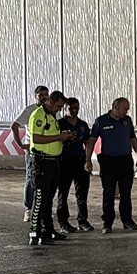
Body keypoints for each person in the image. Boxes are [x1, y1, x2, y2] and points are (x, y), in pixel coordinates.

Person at [84, 97, 137, 234]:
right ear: (115, 108)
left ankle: (127, 220)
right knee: (109, 192)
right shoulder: (101, 121)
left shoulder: (127, 121)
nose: (126, 112)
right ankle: (107, 222)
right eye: (125, 109)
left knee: (126, 192)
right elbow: (91, 141)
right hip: (108, 162)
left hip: (125, 160)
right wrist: (88, 160)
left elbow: (133, 139)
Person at [27, 91, 74, 245]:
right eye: (59, 106)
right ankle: (34, 233)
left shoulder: (53, 116)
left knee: (48, 200)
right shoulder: (38, 114)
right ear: (50, 102)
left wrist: (64, 135)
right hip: (42, 162)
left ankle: (48, 231)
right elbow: (36, 138)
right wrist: (60, 137)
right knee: (40, 199)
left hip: (54, 162)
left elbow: (51, 135)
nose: (59, 110)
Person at [11, 86, 49, 222]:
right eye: (41, 95)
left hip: (48, 151)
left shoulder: (52, 111)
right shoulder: (30, 110)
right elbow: (14, 126)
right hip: (33, 151)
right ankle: (28, 209)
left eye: (46, 94)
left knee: (46, 181)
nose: (44, 97)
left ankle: (43, 208)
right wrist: (21, 144)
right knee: (31, 179)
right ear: (35, 96)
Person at [56, 97, 92, 233]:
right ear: (65, 109)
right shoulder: (59, 124)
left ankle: (82, 220)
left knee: (82, 193)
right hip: (64, 161)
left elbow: (88, 142)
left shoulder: (82, 125)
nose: (74, 110)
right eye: (71, 108)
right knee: (63, 192)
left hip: (80, 160)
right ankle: (63, 221)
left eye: (76, 107)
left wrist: (88, 160)